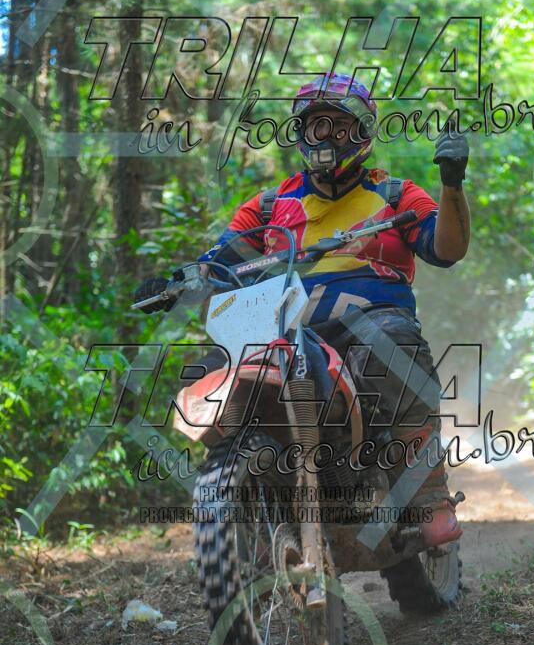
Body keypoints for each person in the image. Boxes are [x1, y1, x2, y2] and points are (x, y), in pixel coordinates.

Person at [195, 72, 471, 551]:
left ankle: (428, 496)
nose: (327, 138)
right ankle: (236, 482)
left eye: (339, 126)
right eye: (316, 126)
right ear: (301, 133)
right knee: (210, 367)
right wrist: (186, 278)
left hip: (370, 319)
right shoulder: (268, 206)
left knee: (392, 346)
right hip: (283, 325)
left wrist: (452, 184)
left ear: (362, 132)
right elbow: (220, 259)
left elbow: (447, 248)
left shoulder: (395, 194)